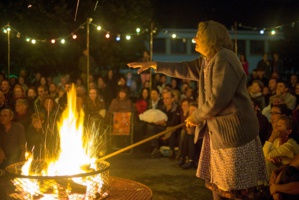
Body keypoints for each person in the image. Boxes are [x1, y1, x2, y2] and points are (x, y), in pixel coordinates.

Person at [128, 20, 267, 199]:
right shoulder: (206, 61)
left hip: (234, 136)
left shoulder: (225, 58)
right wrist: (155, 65)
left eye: (198, 36)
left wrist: (196, 116)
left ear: (211, 39)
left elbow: (219, 99)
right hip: (218, 134)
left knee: (236, 189)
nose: (194, 39)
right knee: (217, 185)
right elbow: (183, 68)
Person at [263, 115, 299, 180]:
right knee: (266, 162)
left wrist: (272, 137)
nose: (276, 129)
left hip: (290, 175)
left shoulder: (289, 145)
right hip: (280, 170)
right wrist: (270, 158)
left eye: (279, 126)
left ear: (289, 131)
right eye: (276, 126)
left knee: (266, 164)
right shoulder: (277, 141)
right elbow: (264, 155)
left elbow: (265, 155)